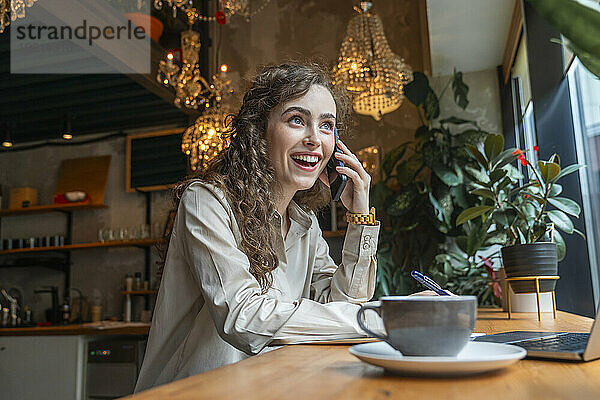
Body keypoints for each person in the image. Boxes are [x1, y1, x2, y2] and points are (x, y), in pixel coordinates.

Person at [134, 62, 384, 392]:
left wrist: (359, 218)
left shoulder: (305, 225)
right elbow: (243, 317)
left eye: (326, 126)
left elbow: (344, 307)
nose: (314, 139)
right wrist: (376, 321)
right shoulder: (206, 202)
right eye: (297, 120)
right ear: (259, 130)